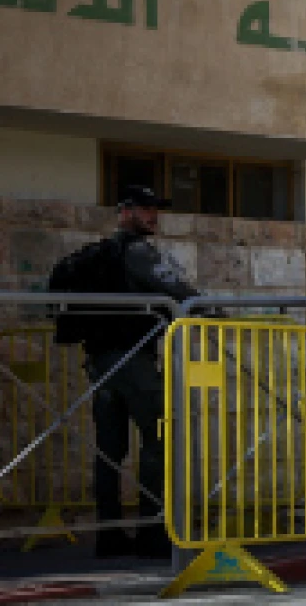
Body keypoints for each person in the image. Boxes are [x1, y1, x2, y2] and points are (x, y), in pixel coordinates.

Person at [71, 185, 197, 558]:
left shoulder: (100, 255)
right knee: (160, 436)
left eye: (155, 208)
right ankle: (153, 532)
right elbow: (175, 288)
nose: (152, 215)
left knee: (110, 449)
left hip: (102, 360)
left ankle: (108, 534)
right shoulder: (137, 251)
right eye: (144, 209)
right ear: (124, 212)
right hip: (133, 360)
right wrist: (212, 311)